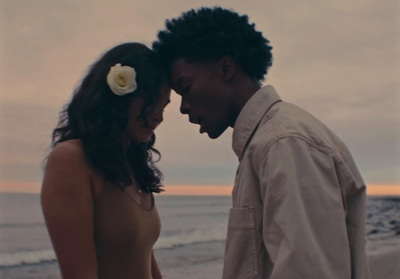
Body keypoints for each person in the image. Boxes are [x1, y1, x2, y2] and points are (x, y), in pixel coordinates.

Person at [153, 7, 371, 279]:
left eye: (185, 88)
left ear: (226, 68)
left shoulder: (285, 144)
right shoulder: (267, 142)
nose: (183, 108)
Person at [41, 42, 170, 279]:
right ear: (120, 96)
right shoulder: (72, 159)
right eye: (151, 102)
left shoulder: (132, 166)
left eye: (164, 106)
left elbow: (145, 262)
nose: (159, 116)